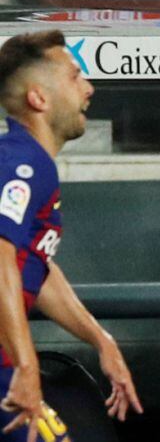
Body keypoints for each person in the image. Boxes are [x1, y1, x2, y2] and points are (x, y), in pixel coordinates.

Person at [0, 31, 142, 441]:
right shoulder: (22, 162)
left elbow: (35, 267)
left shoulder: (28, 162)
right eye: (74, 76)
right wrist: (27, 369)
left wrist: (101, 340)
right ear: (39, 99)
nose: (89, 87)